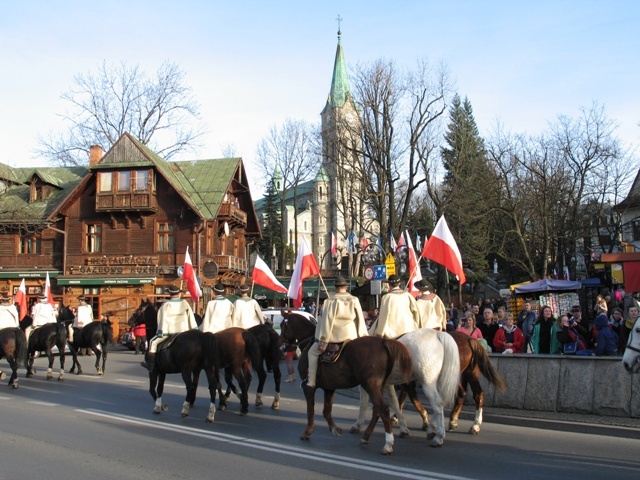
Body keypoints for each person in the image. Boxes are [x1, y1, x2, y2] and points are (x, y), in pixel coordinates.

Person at [304, 276, 367, 389]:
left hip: (334, 337)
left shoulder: (330, 301)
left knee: (312, 353)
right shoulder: (354, 299)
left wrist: (322, 340)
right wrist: (363, 337)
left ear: (335, 287)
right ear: (346, 287)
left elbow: (327, 322)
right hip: (351, 336)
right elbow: (360, 319)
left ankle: (311, 382)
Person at [141, 286, 198, 370]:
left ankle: (151, 366)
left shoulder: (165, 306)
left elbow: (161, 320)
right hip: (184, 331)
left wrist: (161, 332)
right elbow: (191, 316)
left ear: (169, 294)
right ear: (178, 294)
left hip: (170, 332)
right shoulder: (185, 303)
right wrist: (194, 328)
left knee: (152, 342)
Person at [368, 275, 420, 339]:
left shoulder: (387, 297)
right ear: (399, 283)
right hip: (409, 329)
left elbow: (383, 316)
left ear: (389, 285)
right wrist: (418, 326)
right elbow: (416, 312)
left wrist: (380, 333)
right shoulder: (408, 295)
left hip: (393, 332)